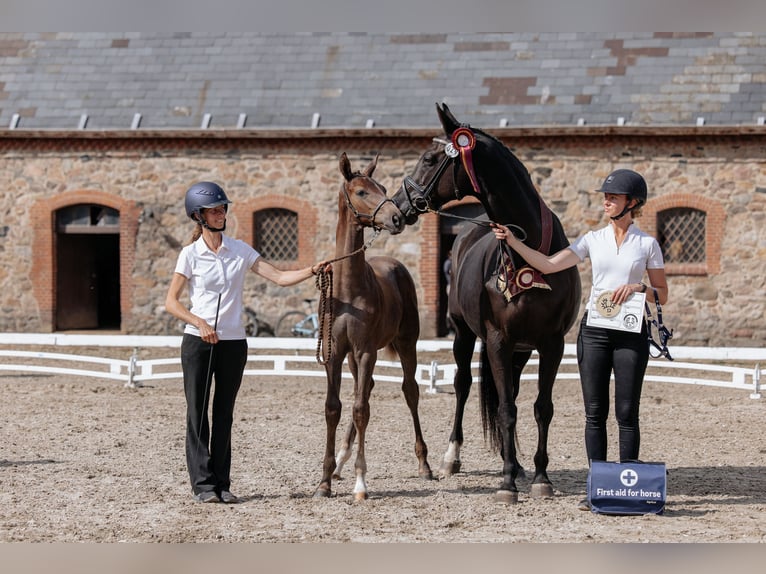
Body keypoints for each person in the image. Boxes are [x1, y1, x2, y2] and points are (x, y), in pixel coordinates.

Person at [491, 169, 668, 510]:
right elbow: (547, 263)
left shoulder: (647, 244)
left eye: (613, 197)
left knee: (627, 412)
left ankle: (627, 487)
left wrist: (639, 287)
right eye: (606, 196)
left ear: (632, 203)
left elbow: (663, 293)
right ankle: (599, 487)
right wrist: (513, 242)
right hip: (596, 331)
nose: (606, 201)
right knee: (594, 412)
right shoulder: (592, 239)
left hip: (631, 332)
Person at [165, 181, 329, 503]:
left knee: (224, 413)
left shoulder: (240, 250)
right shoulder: (190, 255)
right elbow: (171, 302)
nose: (221, 213)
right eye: (214, 210)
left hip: (233, 343)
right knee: (197, 413)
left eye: (223, 208)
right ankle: (203, 485)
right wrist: (199, 323)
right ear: (199, 216)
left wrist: (312, 269)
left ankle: (223, 484)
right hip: (198, 344)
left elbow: (279, 277)